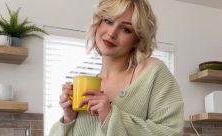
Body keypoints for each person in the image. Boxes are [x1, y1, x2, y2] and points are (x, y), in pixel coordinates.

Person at [49, 0, 184, 135]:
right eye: (108, 21)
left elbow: (172, 132)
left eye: (126, 29)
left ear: (137, 39)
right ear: (98, 23)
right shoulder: (86, 89)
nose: (112, 33)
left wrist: (111, 116)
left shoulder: (152, 73)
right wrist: (69, 118)